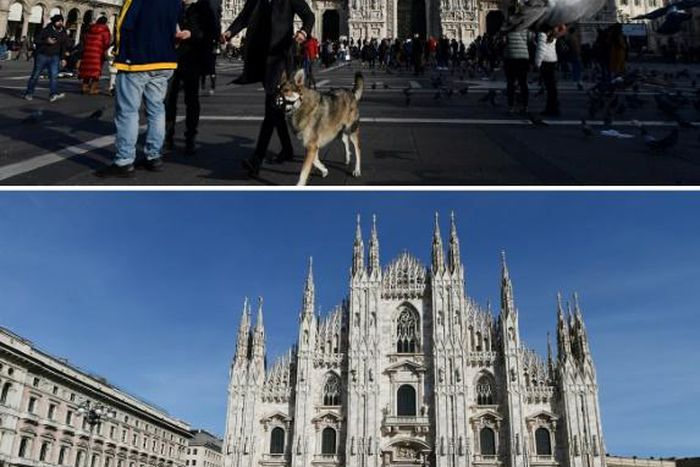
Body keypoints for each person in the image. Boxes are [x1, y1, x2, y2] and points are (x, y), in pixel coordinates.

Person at [97, 0, 190, 178]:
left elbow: (124, 24)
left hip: (138, 60)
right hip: (165, 61)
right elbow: (178, 26)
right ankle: (154, 156)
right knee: (157, 110)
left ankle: (124, 161)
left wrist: (119, 52)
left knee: (128, 111)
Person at [221, 0, 314, 176]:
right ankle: (287, 150)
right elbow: (244, 16)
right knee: (275, 110)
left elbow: (309, 15)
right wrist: (230, 31)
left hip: (280, 59)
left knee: (271, 106)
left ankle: (257, 159)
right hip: (261, 59)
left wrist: (303, 31)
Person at [165, 0, 218, 156]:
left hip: (193, 59)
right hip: (171, 57)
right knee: (169, 99)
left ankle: (190, 137)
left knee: (191, 99)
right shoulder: (174, 6)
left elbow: (211, 32)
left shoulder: (204, 7)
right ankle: (168, 135)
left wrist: (191, 34)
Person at [23, 15, 71, 102]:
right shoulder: (46, 30)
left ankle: (53, 94)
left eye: (61, 21)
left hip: (55, 57)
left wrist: (63, 58)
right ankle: (29, 93)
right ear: (54, 22)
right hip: (42, 55)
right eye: (58, 21)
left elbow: (63, 46)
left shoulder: (63, 32)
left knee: (54, 76)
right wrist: (46, 41)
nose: (60, 23)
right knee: (35, 75)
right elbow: (36, 40)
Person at [78, 16, 111, 95]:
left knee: (87, 70)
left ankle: (84, 87)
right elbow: (106, 43)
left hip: (87, 52)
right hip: (98, 53)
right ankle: (93, 89)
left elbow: (84, 39)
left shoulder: (90, 29)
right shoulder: (105, 31)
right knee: (96, 72)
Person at [503, 28, 530, 115]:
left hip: (511, 57)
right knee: (523, 83)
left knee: (510, 83)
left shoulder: (507, 29)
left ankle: (511, 107)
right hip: (523, 57)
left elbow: (503, 42)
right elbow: (530, 40)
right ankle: (525, 106)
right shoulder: (526, 28)